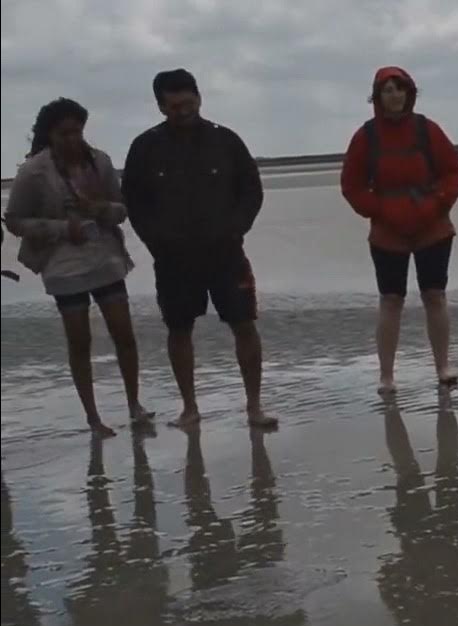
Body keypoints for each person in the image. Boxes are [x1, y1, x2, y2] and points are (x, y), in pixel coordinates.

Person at [121, 69, 276, 428]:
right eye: (174, 106)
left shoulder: (226, 141)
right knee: (179, 329)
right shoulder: (144, 148)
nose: (183, 111)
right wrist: (155, 240)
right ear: (161, 107)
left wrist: (236, 228)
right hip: (173, 259)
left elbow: (251, 190)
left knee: (244, 325)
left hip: (226, 255)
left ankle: (254, 406)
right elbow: (134, 201)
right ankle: (189, 408)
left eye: (188, 103)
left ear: (199, 98)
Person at [3, 98, 153, 437]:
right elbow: (14, 220)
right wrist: (60, 229)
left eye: (78, 131)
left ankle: (134, 404)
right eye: (64, 133)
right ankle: (93, 418)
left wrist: (98, 208)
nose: (72, 139)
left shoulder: (99, 161)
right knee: (79, 342)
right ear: (49, 134)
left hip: (105, 257)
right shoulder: (34, 171)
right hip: (63, 265)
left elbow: (121, 209)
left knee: (124, 334)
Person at [341, 67, 458, 393]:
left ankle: (442, 366)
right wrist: (379, 210)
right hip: (388, 231)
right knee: (391, 300)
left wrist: (438, 204)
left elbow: (453, 172)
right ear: (377, 97)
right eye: (387, 90)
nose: (394, 95)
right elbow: (351, 186)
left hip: (432, 227)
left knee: (434, 296)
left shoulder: (427, 130)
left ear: (409, 93)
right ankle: (386, 376)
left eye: (399, 89)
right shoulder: (365, 137)